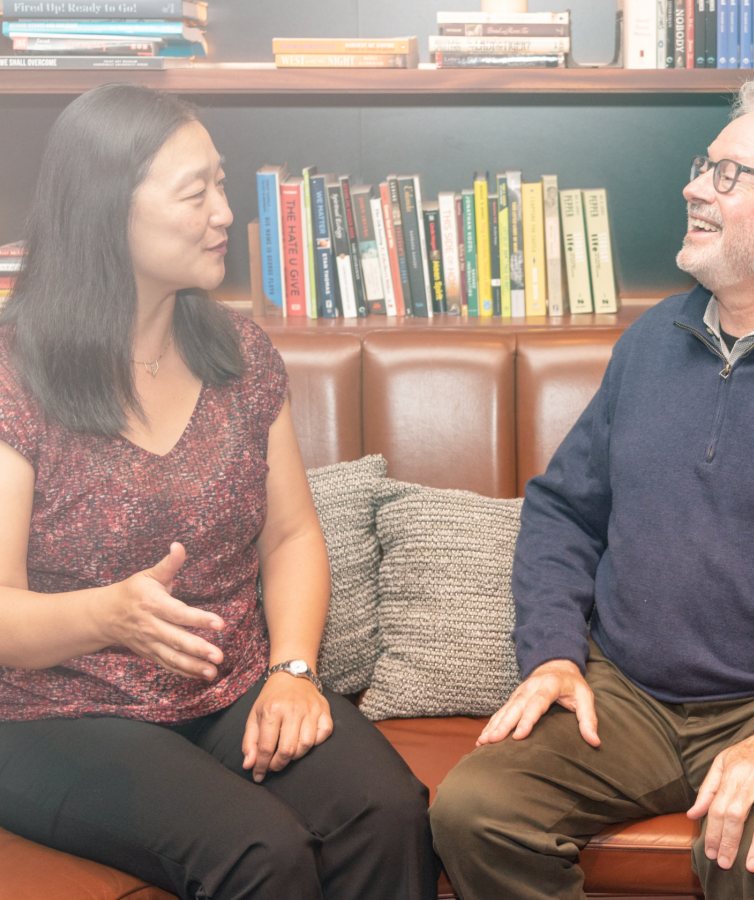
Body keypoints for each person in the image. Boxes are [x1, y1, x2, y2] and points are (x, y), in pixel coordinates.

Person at [430, 79, 754, 900]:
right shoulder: (651, 341)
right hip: (630, 695)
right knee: (477, 806)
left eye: (728, 174)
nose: (693, 187)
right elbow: (564, 511)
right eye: (702, 166)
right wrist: (550, 653)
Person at [0, 83, 437, 900]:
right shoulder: (14, 375)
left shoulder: (238, 353)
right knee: (261, 854)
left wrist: (294, 671)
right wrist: (107, 615)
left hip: (231, 688)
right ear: (107, 210)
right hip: (57, 716)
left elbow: (291, 537)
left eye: (221, 183)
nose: (225, 212)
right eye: (193, 191)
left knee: (389, 810)